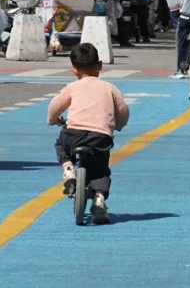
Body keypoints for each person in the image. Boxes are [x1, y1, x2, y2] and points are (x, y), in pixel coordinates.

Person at [46, 43, 129, 224]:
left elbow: (55, 106)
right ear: (100, 65)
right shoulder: (109, 87)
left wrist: (52, 119)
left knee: (61, 144)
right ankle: (99, 198)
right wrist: (119, 125)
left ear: (74, 70)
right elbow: (123, 111)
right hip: (100, 137)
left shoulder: (73, 87)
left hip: (73, 134)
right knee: (100, 168)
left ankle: (68, 169)